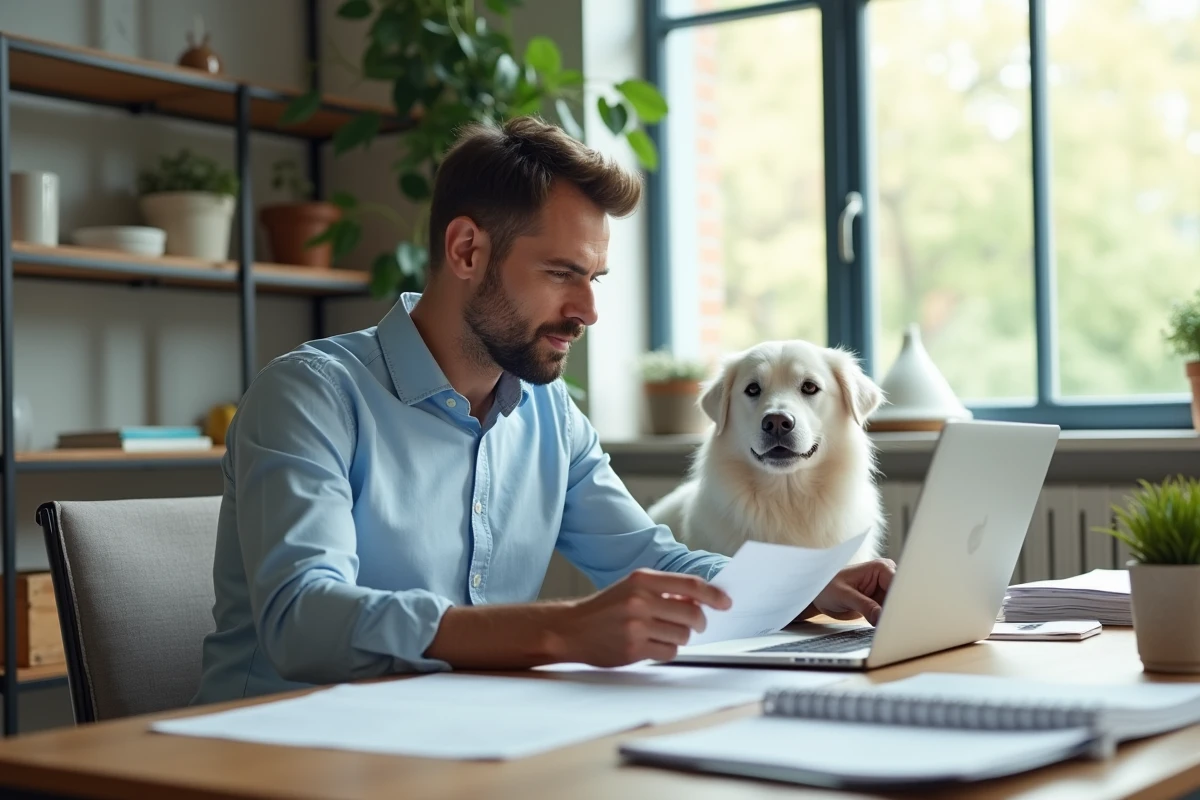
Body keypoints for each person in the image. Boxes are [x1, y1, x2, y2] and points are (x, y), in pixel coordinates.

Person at [193, 116, 895, 705]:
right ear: (467, 249)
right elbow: (302, 619)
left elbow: (645, 557)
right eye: (562, 274)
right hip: (277, 750)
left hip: (459, 738)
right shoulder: (308, 396)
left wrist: (799, 588)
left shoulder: (548, 413)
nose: (588, 310)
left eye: (593, 278)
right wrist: (558, 631)